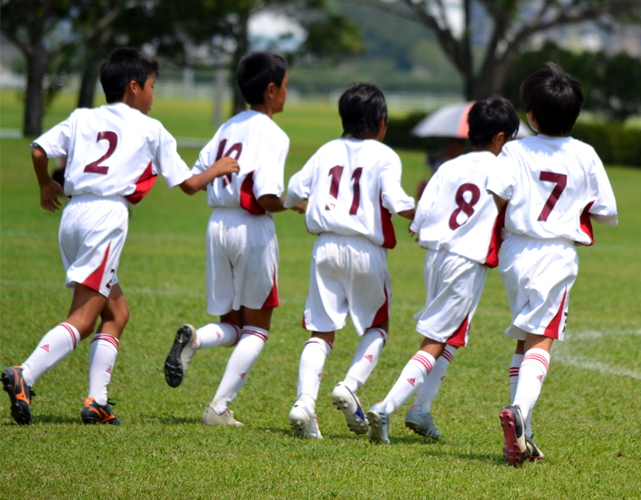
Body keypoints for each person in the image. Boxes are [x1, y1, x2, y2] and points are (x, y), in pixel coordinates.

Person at [2, 48, 238, 425]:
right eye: (152, 86)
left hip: (73, 216)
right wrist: (218, 168)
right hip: (106, 219)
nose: (153, 95)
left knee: (117, 313)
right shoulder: (150, 128)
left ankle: (97, 400)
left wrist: (46, 185)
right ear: (133, 87)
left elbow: (38, 149)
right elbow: (190, 185)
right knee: (83, 317)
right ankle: (24, 374)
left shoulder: (82, 117)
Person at [364, 97, 519, 444]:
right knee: (436, 339)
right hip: (466, 260)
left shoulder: (449, 166)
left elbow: (421, 216)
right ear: (499, 139)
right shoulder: (503, 169)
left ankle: (422, 408)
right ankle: (387, 406)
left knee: (451, 334)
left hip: (435, 256)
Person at [486, 64, 618, 465]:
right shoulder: (585, 154)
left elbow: (498, 194)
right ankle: (520, 413)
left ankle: (522, 434)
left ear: (531, 115)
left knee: (524, 338)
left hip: (515, 254)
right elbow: (607, 211)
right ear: (575, 114)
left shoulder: (515, 149)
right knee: (542, 339)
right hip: (555, 255)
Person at [161, 52, 293, 427]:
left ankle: (196, 338)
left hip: (216, 225)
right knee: (257, 327)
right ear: (271, 90)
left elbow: (195, 176)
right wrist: (296, 204)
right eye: (285, 86)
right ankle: (218, 408)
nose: (286, 92)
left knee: (234, 324)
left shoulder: (227, 127)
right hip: (250, 229)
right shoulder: (274, 134)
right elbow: (266, 197)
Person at [283, 83, 416, 439]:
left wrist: (304, 204)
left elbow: (294, 191)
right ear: (382, 122)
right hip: (366, 249)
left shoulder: (327, 150)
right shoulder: (385, 155)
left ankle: (304, 403)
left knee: (321, 331)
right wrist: (424, 218)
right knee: (377, 327)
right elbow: (396, 200)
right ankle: (350, 385)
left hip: (325, 247)